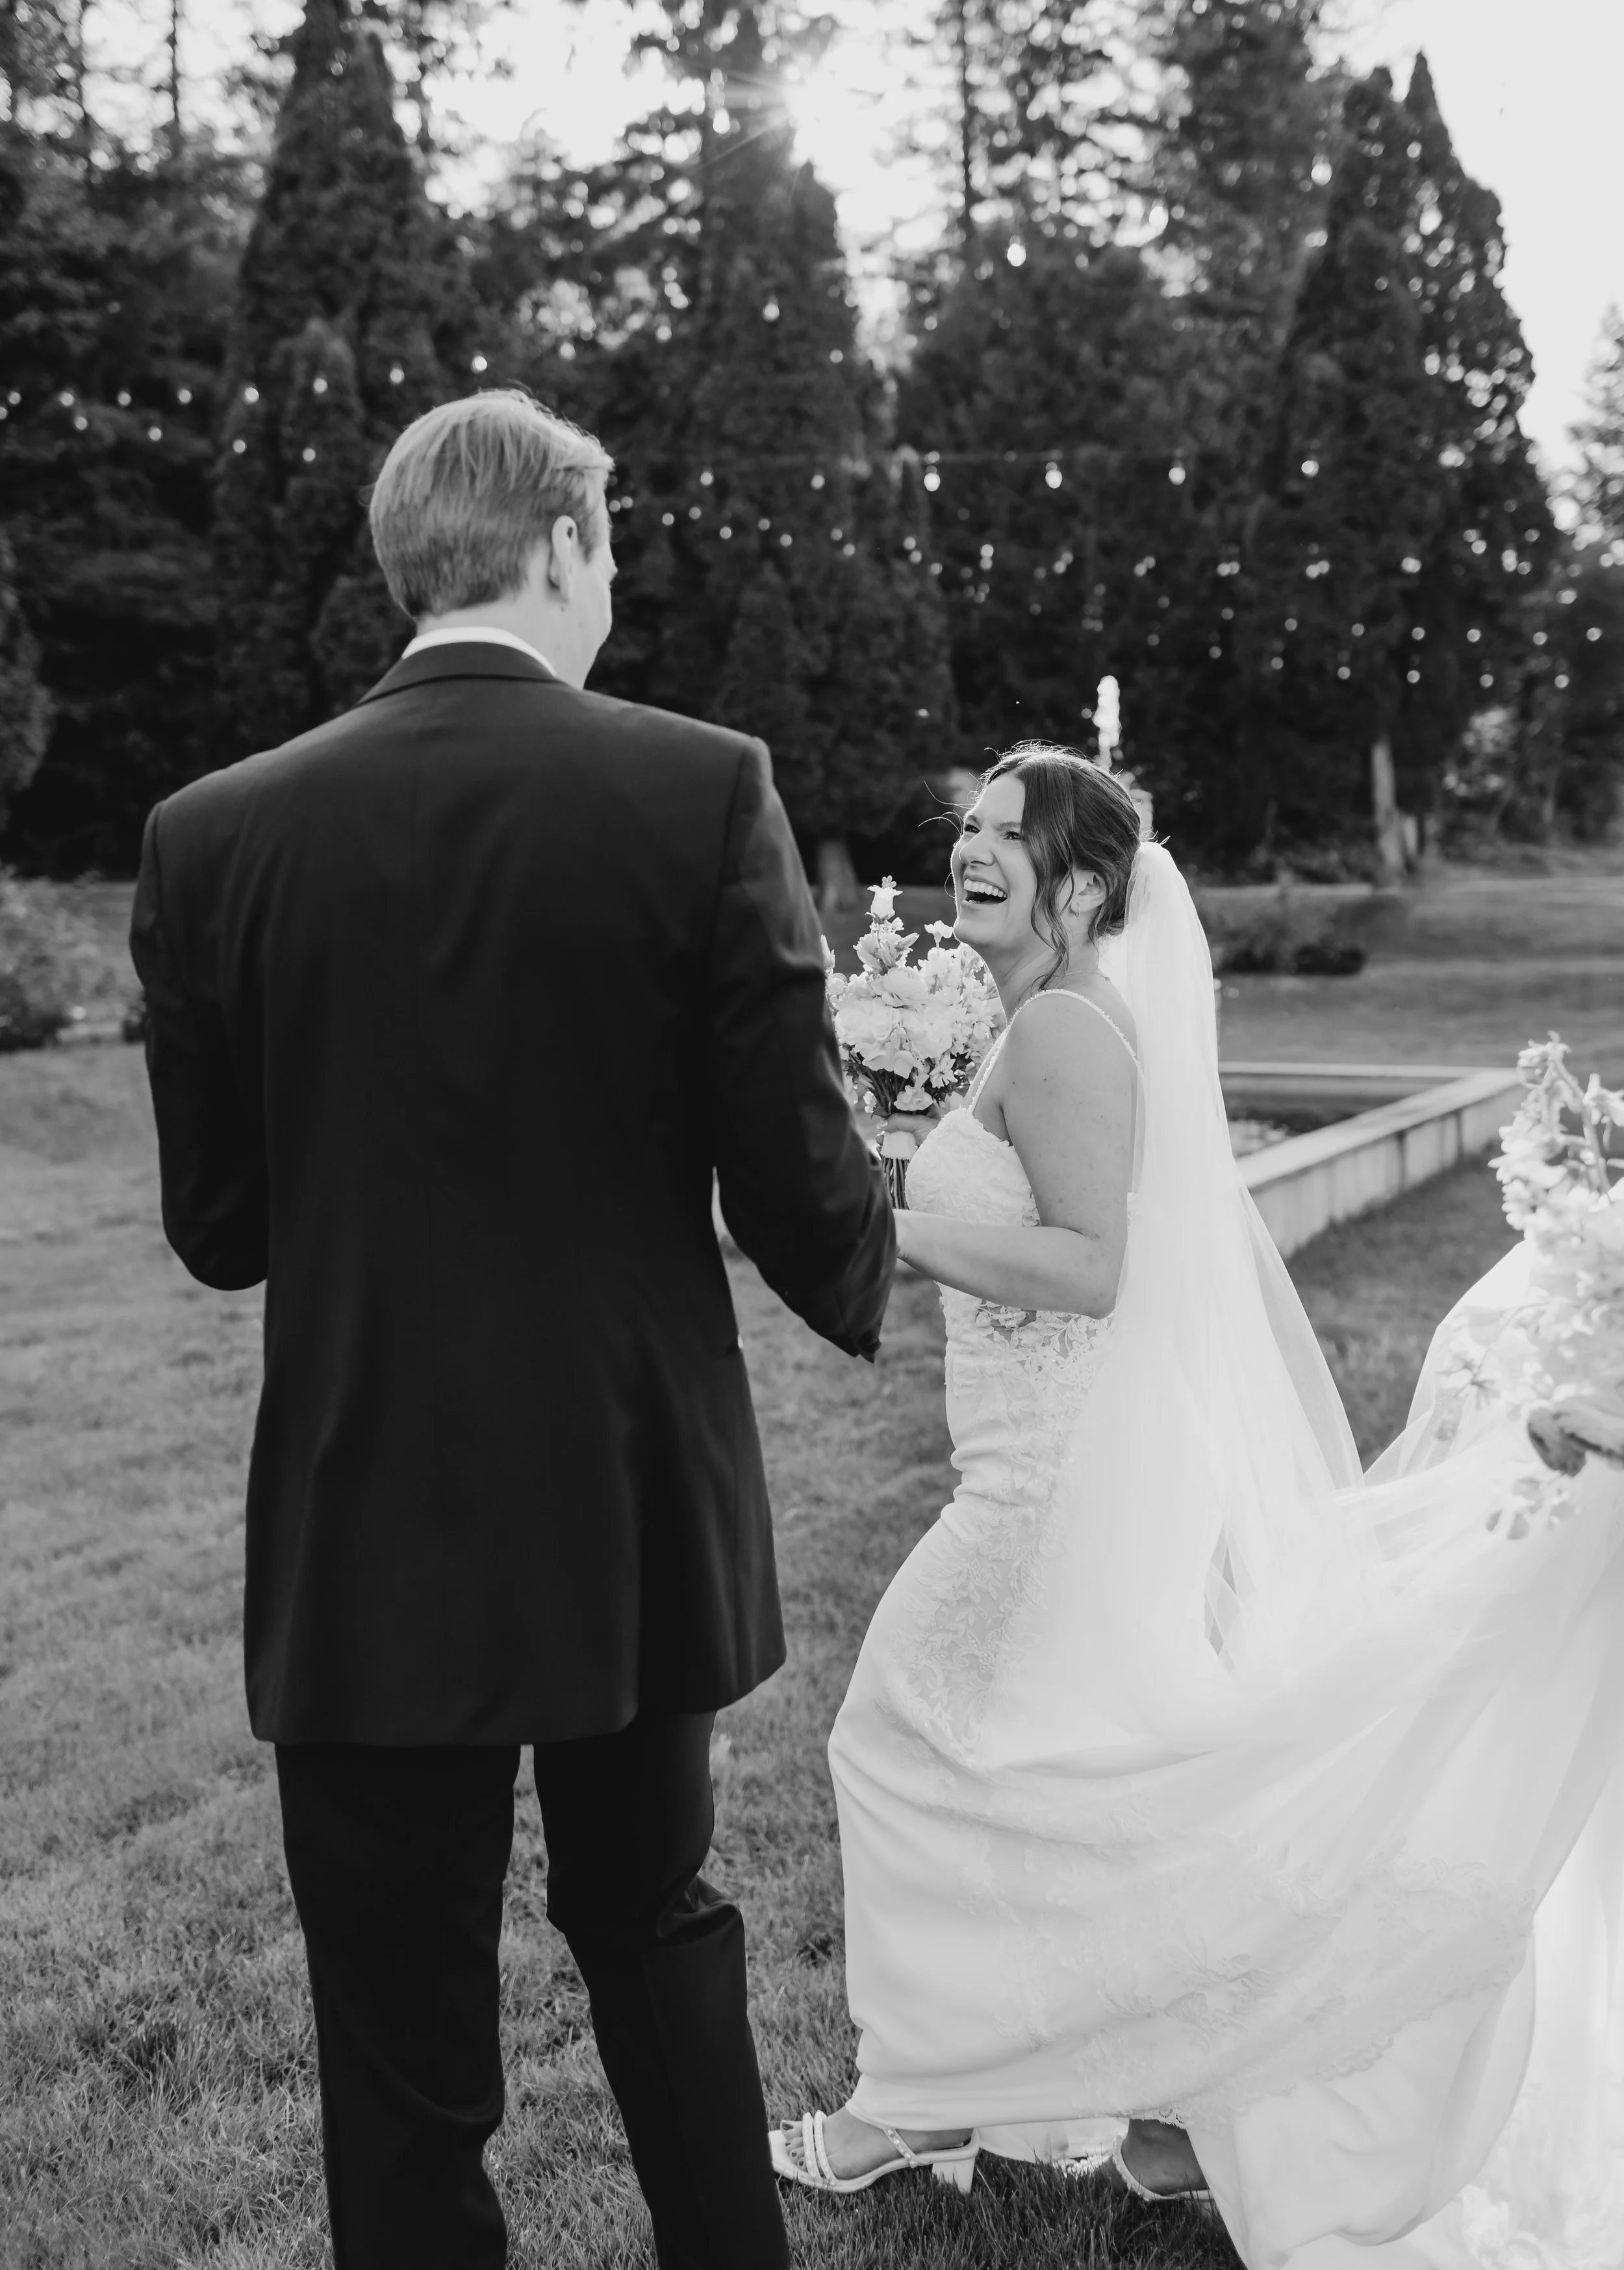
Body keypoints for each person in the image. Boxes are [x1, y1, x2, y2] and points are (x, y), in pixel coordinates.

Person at [130, 388, 896, 2270]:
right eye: (613, 540)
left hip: (363, 1502)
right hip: (621, 1498)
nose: (612, 572)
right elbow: (798, 1175)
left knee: (395, 2033)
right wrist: (887, 1251)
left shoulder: (209, 832)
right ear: (561, 543)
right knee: (655, 1920)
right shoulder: (697, 783)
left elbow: (220, 1228)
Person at [773, 743, 1624, 2270]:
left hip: (1052, 1476)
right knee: (1084, 1775)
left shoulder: (1064, 1036)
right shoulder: (1026, 1021)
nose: (968, 853)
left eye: (1003, 838)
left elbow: (1089, 1267)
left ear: (1084, 885)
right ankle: (1160, 2105)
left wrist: (890, 1217)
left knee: (896, 1742)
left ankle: (913, 2099)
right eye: (960, 831)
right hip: (1032, 1458)